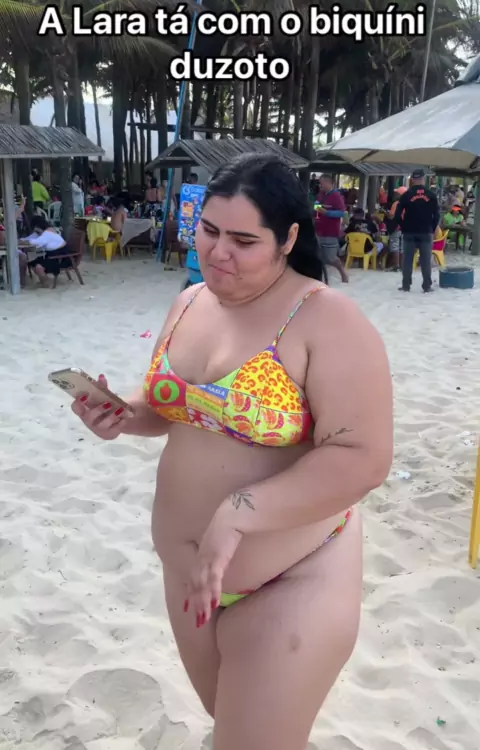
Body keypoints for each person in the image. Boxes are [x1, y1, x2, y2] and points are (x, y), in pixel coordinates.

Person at [71, 154, 393, 750]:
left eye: (244, 241)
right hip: (188, 576)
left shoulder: (326, 318)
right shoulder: (190, 301)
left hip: (292, 580)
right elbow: (174, 409)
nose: (218, 253)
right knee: (235, 727)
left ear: (288, 239)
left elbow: (363, 455)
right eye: (210, 231)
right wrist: (122, 414)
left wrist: (240, 511)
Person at [392, 169, 439, 293]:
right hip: (426, 231)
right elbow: (436, 215)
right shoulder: (431, 195)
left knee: (407, 260)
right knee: (425, 260)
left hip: (409, 231)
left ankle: (406, 285)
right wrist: (432, 228)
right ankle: (427, 286)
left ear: (412, 180)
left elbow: (397, 215)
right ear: (424, 179)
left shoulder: (406, 195)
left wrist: (403, 226)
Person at [315, 174, 349, 282]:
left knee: (330, 258)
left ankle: (342, 272)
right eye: (320, 183)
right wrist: (316, 208)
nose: (321, 186)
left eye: (322, 183)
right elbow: (316, 205)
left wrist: (327, 213)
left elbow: (342, 212)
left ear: (329, 183)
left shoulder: (337, 196)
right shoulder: (320, 195)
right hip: (319, 229)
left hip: (331, 231)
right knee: (318, 256)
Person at [25, 215, 72, 287]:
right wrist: (23, 240)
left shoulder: (47, 233)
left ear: (37, 226)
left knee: (38, 267)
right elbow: (32, 238)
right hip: (53, 256)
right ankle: (45, 280)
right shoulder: (47, 231)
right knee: (33, 263)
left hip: (61, 258)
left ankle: (47, 283)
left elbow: (35, 242)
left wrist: (22, 242)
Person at [386, 186, 407, 271]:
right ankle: (402, 266)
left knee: (395, 246)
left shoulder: (396, 203)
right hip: (405, 228)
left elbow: (391, 216)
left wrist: (387, 214)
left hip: (396, 227)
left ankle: (396, 266)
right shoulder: (410, 203)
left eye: (397, 193)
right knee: (403, 247)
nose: (396, 194)